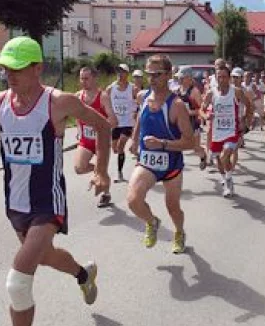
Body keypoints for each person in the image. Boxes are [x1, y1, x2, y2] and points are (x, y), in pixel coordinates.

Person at [0, 36, 111, 326]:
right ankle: (83, 274)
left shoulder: (57, 103)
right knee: (44, 257)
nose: (9, 76)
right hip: (15, 203)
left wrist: (101, 169)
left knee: (18, 281)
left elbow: (103, 126)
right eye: (4, 69)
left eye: (17, 69)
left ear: (37, 68)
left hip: (47, 201)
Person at [126, 55, 196, 252]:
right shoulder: (142, 97)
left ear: (168, 75)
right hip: (148, 161)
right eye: (149, 74)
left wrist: (162, 144)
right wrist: (134, 137)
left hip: (171, 164)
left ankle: (179, 232)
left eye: (157, 74)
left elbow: (190, 141)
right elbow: (141, 115)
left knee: (172, 208)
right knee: (133, 200)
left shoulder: (177, 105)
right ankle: (152, 222)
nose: (152, 79)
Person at [201, 64, 253, 197]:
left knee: (225, 156)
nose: (222, 79)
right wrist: (206, 115)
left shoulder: (236, 91)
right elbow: (201, 109)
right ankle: (225, 179)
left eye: (224, 77)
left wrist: (245, 121)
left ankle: (229, 180)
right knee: (219, 160)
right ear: (216, 78)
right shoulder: (211, 93)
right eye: (219, 77)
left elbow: (248, 105)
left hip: (231, 131)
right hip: (217, 131)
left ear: (229, 78)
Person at [74, 66, 116, 206]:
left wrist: (100, 125)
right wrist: (79, 130)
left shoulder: (102, 96)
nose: (83, 81)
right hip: (86, 140)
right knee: (79, 168)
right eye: (81, 78)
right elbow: (75, 115)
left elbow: (113, 120)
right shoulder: (77, 97)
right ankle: (98, 170)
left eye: (86, 78)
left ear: (94, 78)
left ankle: (106, 194)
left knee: (102, 172)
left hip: (101, 141)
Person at [107, 63, 138, 183]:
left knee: (120, 146)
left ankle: (119, 173)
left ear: (127, 74)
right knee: (115, 148)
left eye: (122, 72)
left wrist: (136, 112)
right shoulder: (111, 88)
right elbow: (105, 103)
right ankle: (136, 157)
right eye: (118, 72)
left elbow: (141, 102)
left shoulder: (133, 88)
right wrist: (108, 116)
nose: (120, 74)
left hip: (128, 122)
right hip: (116, 123)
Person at [177, 66, 209, 170]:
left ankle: (203, 156)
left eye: (182, 78)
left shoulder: (194, 91)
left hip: (192, 123)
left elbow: (201, 110)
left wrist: (189, 112)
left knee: (195, 148)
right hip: (180, 123)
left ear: (189, 78)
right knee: (176, 145)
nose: (179, 80)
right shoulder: (178, 90)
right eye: (179, 77)